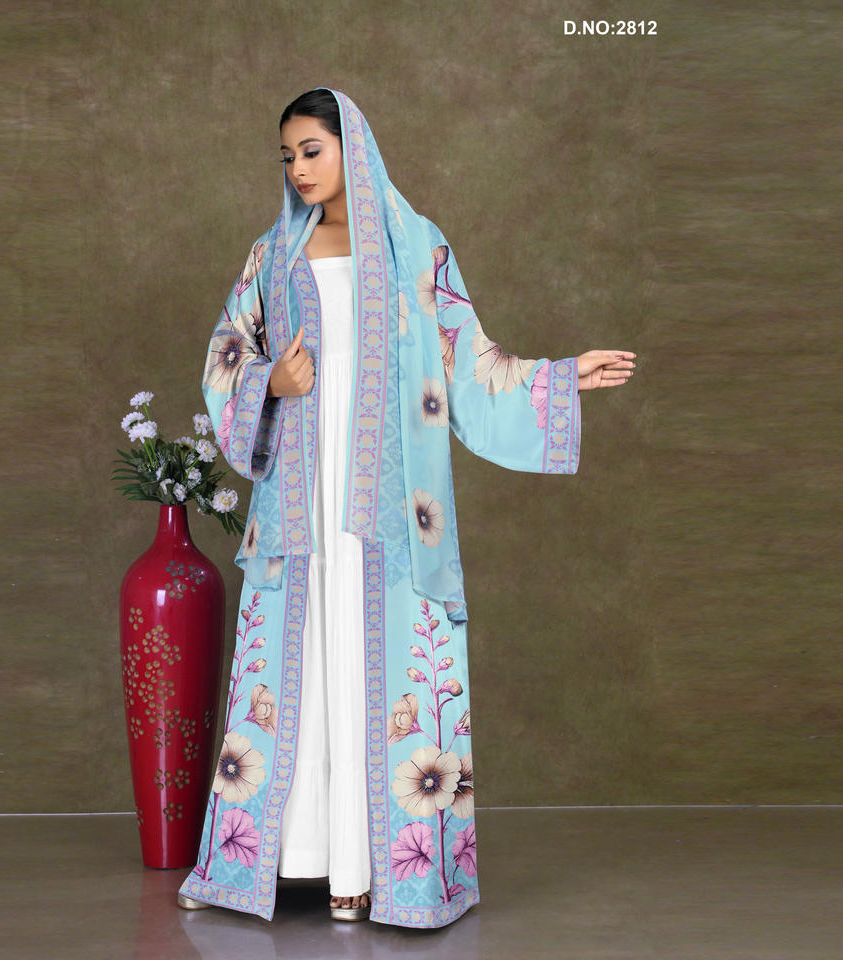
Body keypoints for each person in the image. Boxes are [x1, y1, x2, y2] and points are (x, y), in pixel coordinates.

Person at [176, 87, 636, 929]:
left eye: (312, 150)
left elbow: (471, 363)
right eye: (287, 156)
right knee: (300, 664)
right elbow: (224, 359)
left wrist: (561, 376)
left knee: (381, 667)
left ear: (352, 145)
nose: (298, 169)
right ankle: (293, 862)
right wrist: (272, 382)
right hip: (300, 505)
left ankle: (370, 873)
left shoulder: (417, 248)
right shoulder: (272, 256)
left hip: (391, 506)